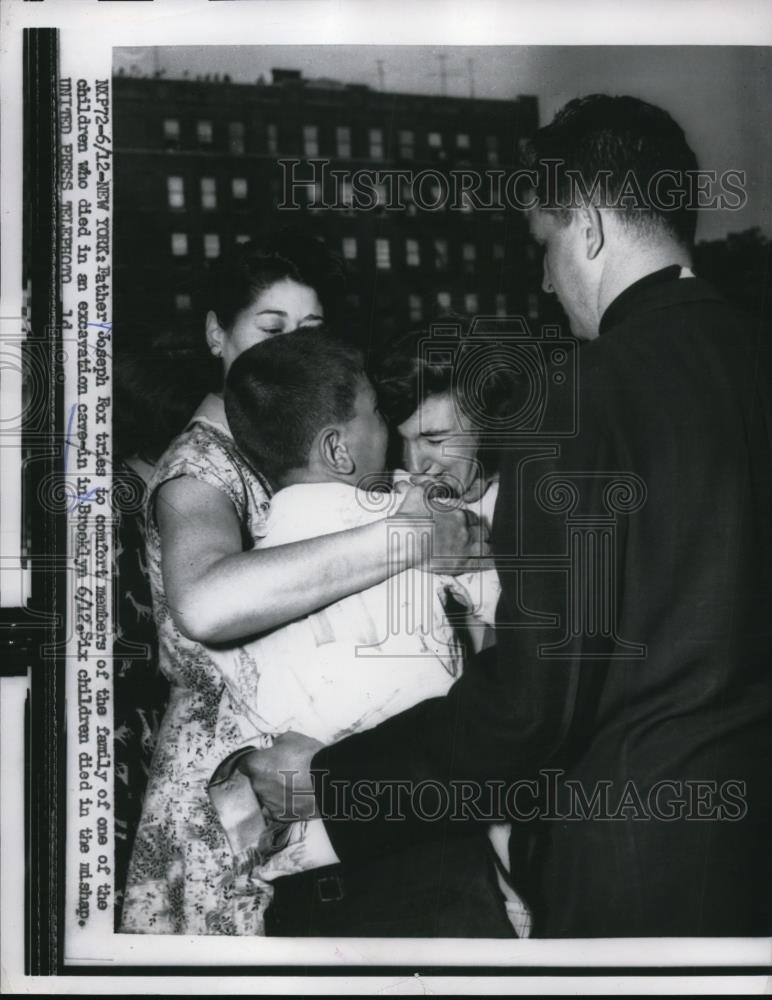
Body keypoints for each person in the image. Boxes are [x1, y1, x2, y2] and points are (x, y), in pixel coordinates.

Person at [240, 95, 772, 937]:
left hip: (633, 874)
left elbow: (529, 709)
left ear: (589, 228)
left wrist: (330, 784)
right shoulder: (751, 358)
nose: (544, 278)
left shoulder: (582, 397)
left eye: (546, 244)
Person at [120, 235, 482, 935]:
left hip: (325, 773)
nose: (288, 348)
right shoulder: (200, 465)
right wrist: (406, 541)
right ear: (215, 334)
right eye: (269, 327)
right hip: (239, 798)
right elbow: (204, 601)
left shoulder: (302, 440)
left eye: (310, 329)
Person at [203, 329, 513, 937]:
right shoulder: (410, 512)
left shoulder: (248, 568)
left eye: (431, 437)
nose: (409, 459)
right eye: (386, 425)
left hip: (301, 894)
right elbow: (510, 620)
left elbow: (239, 792)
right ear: (340, 450)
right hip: (427, 864)